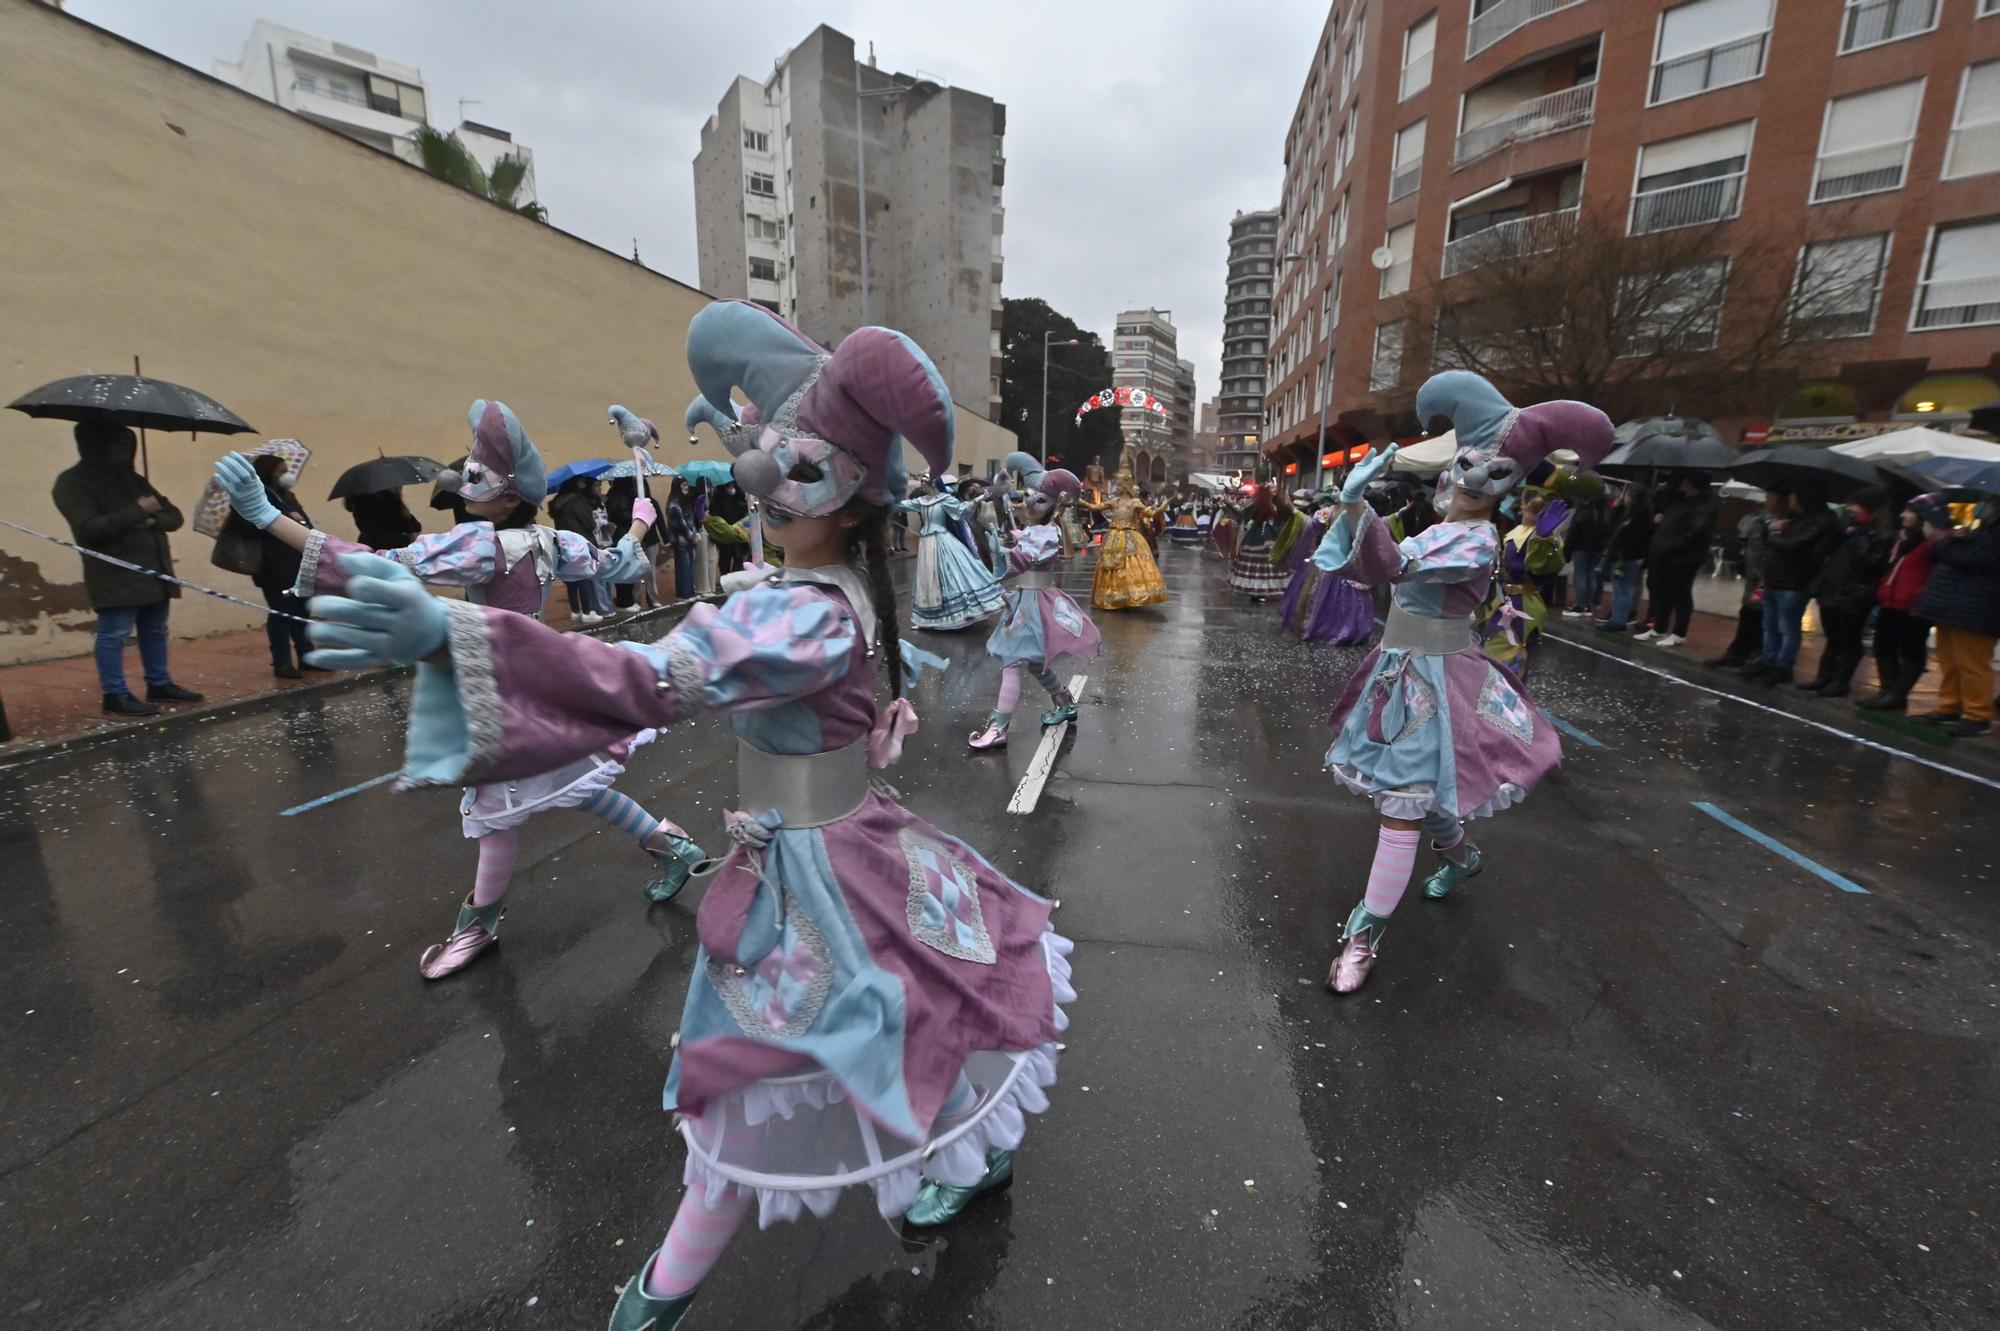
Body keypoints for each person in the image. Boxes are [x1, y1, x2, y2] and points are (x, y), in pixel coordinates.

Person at [316, 302, 1072, 1329]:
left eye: (794, 466)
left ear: (852, 500)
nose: (761, 478)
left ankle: (662, 1290)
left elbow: (649, 675)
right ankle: (946, 1166)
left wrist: (456, 635)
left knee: (744, 1075)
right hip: (834, 852)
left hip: (814, 876)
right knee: (897, 1022)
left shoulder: (803, 610)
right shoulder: (821, 586)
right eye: (760, 451)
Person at [214, 398, 710, 980]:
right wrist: (639, 524)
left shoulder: (481, 546)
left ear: (508, 496)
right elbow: (621, 564)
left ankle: (477, 927)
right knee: (573, 783)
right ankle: (674, 846)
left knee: (497, 814)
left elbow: (376, 565)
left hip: (498, 689)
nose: (464, 485)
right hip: (547, 680)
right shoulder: (556, 542)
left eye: (477, 477)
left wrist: (268, 516)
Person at [1313, 371, 1613, 994]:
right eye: (1474, 462)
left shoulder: (1475, 540)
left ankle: (1364, 934)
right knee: (1419, 795)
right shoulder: (1438, 527)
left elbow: (1393, 566)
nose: (1478, 478)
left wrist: (1355, 507)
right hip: (1400, 674)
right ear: (1454, 467)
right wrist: (1353, 509)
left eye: (1498, 473)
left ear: (1511, 488)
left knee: (1401, 804)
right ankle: (1462, 857)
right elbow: (1372, 572)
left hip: (1439, 685)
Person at [50, 421, 204, 718]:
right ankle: (115, 694)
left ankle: (158, 683)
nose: (124, 448)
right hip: (115, 574)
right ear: (95, 444)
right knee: (114, 633)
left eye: (127, 442)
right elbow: (89, 527)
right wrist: (140, 511)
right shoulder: (72, 483)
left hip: (154, 570)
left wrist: (152, 520)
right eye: (117, 442)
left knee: (155, 630)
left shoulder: (133, 479)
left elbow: (173, 516)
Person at [969, 462, 1102, 750]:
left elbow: (1021, 562)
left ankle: (998, 727)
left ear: (1053, 506)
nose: (1029, 501)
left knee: (1012, 663)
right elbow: (1021, 541)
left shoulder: (1046, 534)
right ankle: (1064, 703)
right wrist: (1006, 510)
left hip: (1034, 604)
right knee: (1034, 664)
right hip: (1027, 600)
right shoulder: (1037, 530)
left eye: (1040, 499)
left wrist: (1001, 552)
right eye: (1029, 494)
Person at [232, 452, 328, 679]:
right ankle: (282, 662)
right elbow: (247, 528)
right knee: (282, 614)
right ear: (269, 472)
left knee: (302, 611)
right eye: (281, 471)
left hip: (297, 561)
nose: (287, 475)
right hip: (272, 566)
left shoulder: (287, 496)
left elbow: (306, 526)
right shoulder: (252, 496)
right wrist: (281, 519)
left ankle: (307, 657)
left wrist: (297, 520)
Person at [1911, 494, 2000, 737]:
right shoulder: (1984, 530)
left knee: (1972, 665)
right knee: (1950, 661)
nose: (1984, 506)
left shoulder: (1993, 535)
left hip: (1979, 608)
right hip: (1955, 606)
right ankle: (1950, 705)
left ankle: (1977, 715)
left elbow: (1978, 559)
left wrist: (1944, 542)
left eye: (1992, 502)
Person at [1797, 486, 1891, 698]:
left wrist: (1860, 536)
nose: (1851, 509)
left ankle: (1840, 681)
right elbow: (1821, 551)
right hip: (1832, 590)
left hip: (1855, 595)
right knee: (1832, 638)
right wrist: (1840, 533)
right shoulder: (1846, 530)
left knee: (1848, 639)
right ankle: (1823, 677)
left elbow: (1870, 564)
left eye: (1855, 505)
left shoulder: (1880, 536)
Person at [1858, 493, 1947, 713]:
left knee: (1910, 648)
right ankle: (1887, 690)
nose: (1903, 515)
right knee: (1883, 645)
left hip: (1914, 605)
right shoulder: (1901, 538)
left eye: (1909, 511)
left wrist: (1920, 593)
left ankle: (1897, 694)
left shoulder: (1935, 542)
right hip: (1890, 600)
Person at [1749, 491, 1839, 686]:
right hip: (1776, 578)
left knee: (1787, 626)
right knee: (1770, 625)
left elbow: (1795, 545)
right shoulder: (1797, 519)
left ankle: (1783, 666)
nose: (1789, 500)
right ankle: (1767, 660)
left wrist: (1769, 534)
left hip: (1795, 581)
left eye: (1792, 496)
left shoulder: (1822, 521)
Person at [899, 476, 1006, 630]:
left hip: (943, 541)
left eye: (924, 480)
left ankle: (963, 610)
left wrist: (979, 499)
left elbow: (962, 510)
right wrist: (884, 500)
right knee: (928, 579)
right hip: (926, 545)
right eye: (922, 480)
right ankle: (924, 618)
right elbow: (902, 506)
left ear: (932, 483)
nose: (922, 484)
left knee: (951, 574)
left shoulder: (944, 499)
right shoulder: (921, 502)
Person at [1482, 491, 1569, 676]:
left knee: (1509, 658)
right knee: (1492, 654)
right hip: (1501, 599)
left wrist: (1543, 539)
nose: (1525, 510)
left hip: (1520, 605)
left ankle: (1507, 700)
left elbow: (1543, 569)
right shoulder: (1516, 532)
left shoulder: (1542, 539)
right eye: (1527, 506)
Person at [1634, 473, 1717, 648]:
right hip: (1666, 555)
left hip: (1683, 558)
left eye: (1685, 481)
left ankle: (1679, 632)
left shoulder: (1704, 504)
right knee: (1662, 593)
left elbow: (1693, 532)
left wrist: (1669, 546)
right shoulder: (1679, 500)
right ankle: (1659, 627)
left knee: (1681, 595)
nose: (1681, 484)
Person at [1081, 463, 1169, 609]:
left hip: (1130, 535)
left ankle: (1128, 595)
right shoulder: (1114, 501)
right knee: (1110, 565)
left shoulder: (1135, 502)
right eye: (1117, 484)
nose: (1116, 487)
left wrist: (1162, 507)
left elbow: (1151, 513)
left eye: (1119, 484)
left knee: (1131, 563)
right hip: (1113, 536)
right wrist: (1079, 501)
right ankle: (1112, 596)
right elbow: (1095, 507)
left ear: (1125, 486)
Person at [1706, 495, 1774, 670]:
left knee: (1762, 618)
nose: (1767, 499)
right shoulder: (1761, 520)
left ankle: (1755, 655)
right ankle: (1737, 652)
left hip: (1768, 578)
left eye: (1771, 496)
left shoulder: (1778, 523)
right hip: (1753, 576)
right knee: (1748, 614)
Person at [548, 474, 607, 624]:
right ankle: (587, 612)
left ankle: (576, 611)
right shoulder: (577, 502)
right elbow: (590, 524)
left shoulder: (558, 502)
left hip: (564, 543)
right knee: (584, 577)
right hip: (581, 542)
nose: (583, 483)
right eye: (581, 481)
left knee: (571, 578)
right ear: (575, 483)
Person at [1596, 482, 1653, 632]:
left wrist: (1621, 552)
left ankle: (1619, 619)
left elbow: (1629, 536)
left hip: (1627, 557)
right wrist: (1617, 508)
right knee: (1620, 587)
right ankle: (1617, 616)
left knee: (1623, 588)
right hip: (1626, 556)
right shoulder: (1631, 513)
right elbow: (1614, 526)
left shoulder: (1638, 516)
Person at [1228, 485, 1293, 602]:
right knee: (1261, 565)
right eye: (1271, 488)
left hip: (1274, 536)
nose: (1274, 489)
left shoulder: (1278, 504)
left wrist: (1288, 502)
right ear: (1265, 492)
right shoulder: (1258, 503)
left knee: (1271, 563)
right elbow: (1243, 514)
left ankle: (1269, 590)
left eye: (1274, 488)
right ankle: (1257, 592)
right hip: (1258, 536)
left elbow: (1289, 514)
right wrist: (1230, 504)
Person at [1561, 492, 1608, 618]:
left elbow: (1573, 533)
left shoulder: (1583, 513)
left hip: (1581, 548)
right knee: (1590, 575)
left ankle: (1578, 605)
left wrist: (1567, 551)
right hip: (1596, 549)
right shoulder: (1602, 514)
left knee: (1580, 575)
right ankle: (1587, 604)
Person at [343, 489, 424, 551]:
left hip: (368, 548)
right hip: (395, 549)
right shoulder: (390, 498)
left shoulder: (357, 504)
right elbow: (415, 527)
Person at [665, 477, 698, 600]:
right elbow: (681, 524)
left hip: (688, 541)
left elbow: (690, 521)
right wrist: (692, 536)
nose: (687, 487)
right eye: (684, 485)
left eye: (687, 485)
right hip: (680, 541)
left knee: (688, 567)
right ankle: (684, 594)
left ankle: (689, 592)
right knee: (683, 568)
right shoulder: (674, 505)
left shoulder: (684, 502)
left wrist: (694, 534)